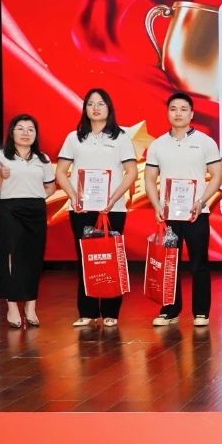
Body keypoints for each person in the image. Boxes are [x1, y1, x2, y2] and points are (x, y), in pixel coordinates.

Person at [54, 88, 139, 328]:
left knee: (111, 258)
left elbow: (131, 172)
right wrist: (74, 196)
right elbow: (61, 171)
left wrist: (113, 199)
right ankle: (87, 312)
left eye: (101, 103)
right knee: (85, 259)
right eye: (91, 103)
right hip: (81, 208)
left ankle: (111, 311)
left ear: (109, 108)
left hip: (113, 208)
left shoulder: (120, 137)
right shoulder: (74, 138)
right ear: (85, 109)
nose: (96, 108)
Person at [143, 92, 222, 327]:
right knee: (170, 261)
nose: (178, 113)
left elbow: (217, 175)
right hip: (168, 214)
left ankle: (201, 312)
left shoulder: (205, 142)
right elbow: (149, 178)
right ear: (167, 113)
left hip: (196, 212)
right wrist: (156, 205)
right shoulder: (158, 144)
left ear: (191, 114)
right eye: (173, 109)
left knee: (199, 262)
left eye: (183, 109)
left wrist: (202, 201)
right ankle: (170, 310)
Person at [0, 114, 56, 329]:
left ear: (35, 134)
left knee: (33, 258)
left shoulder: (42, 158)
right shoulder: (0, 156)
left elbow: (51, 187)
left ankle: (31, 306)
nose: (26, 133)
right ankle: (12, 306)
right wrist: (1, 175)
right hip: (10, 210)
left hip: (35, 210)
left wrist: (35, 196)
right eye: (21, 128)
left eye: (30, 129)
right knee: (10, 258)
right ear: (12, 132)